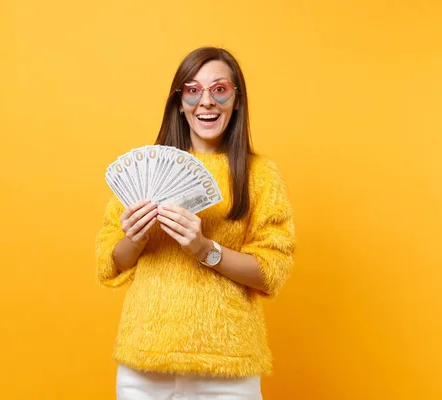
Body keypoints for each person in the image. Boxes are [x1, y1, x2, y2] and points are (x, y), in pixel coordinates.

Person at [95, 46, 296, 400]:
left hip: (228, 366)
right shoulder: (146, 169)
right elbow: (111, 262)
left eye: (219, 89)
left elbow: (272, 270)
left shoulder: (260, 175)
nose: (206, 101)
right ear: (179, 101)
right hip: (145, 363)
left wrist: (205, 249)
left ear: (237, 100)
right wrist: (135, 239)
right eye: (192, 90)